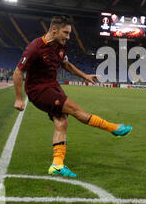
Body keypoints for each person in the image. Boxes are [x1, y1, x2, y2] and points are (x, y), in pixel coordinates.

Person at [13, 16, 132, 178]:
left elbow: (66, 64)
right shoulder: (35, 47)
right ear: (54, 29)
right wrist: (19, 98)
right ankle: (113, 128)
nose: (68, 37)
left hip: (53, 86)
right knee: (77, 111)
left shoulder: (61, 47)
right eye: (66, 33)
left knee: (62, 121)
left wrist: (85, 76)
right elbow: (18, 71)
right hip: (38, 90)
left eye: (69, 34)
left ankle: (57, 165)